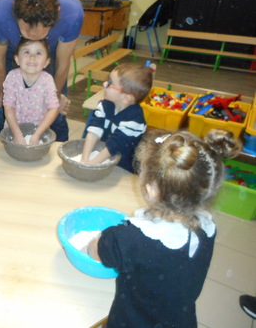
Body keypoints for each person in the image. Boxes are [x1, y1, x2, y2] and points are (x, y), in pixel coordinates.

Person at [86, 128, 241, 328]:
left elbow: (97, 251)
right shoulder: (207, 228)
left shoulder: (133, 238)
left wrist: (95, 239)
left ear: (150, 189)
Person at [0, 0, 83, 141]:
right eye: (26, 29)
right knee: (0, 107)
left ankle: (57, 149)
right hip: (12, 52)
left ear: (57, 12)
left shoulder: (72, 14)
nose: (32, 36)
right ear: (15, 13)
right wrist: (3, 94)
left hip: (49, 52)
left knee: (56, 109)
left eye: (41, 31)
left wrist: (56, 97)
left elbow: (63, 62)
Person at [80, 63, 153, 172]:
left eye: (110, 84)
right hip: (104, 157)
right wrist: (84, 160)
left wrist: (91, 165)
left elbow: (115, 145)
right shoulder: (105, 104)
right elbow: (94, 130)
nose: (104, 84)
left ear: (126, 98)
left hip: (124, 166)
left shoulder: (134, 119)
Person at [3, 38, 59, 145]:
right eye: (26, 52)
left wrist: (37, 135)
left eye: (38, 53)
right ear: (17, 59)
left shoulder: (47, 80)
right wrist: (17, 135)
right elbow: (8, 107)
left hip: (39, 132)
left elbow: (53, 109)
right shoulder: (12, 77)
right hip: (13, 131)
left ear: (46, 62)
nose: (32, 57)